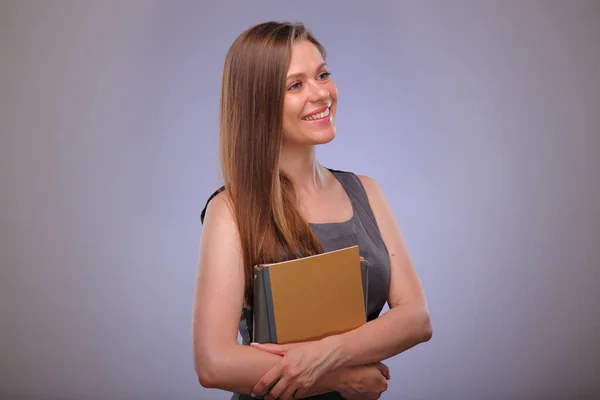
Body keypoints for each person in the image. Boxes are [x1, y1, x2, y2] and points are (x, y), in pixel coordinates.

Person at [192, 21, 432, 400]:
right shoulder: (231, 210)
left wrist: (327, 355)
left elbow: (416, 318)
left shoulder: (366, 192)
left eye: (322, 75)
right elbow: (214, 363)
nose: (322, 94)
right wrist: (336, 378)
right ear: (259, 102)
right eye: (295, 85)